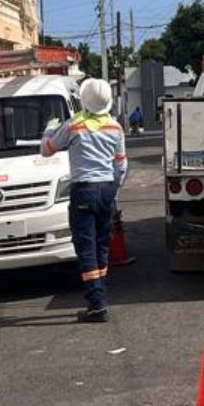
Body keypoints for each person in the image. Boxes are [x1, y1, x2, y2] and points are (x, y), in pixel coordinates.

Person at [42, 78, 126, 323]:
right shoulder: (115, 127)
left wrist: (49, 129)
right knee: (101, 246)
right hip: (107, 190)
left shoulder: (74, 126)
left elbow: (46, 150)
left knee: (86, 247)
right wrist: (114, 191)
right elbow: (121, 165)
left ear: (84, 100)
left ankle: (97, 304)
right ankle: (99, 295)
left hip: (84, 191)